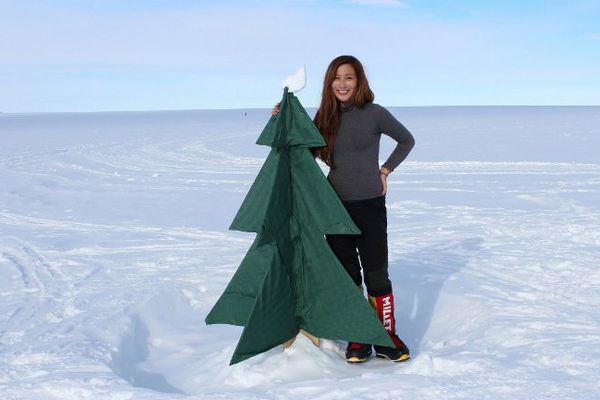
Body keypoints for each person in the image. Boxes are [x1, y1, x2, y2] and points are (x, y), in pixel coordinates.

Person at [273, 55, 415, 363]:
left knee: (377, 275)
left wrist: (386, 170)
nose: (342, 84)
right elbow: (302, 152)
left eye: (348, 77)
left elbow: (406, 140)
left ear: (359, 80)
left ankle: (387, 336)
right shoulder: (324, 117)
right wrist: (281, 118)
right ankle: (358, 335)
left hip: (370, 205)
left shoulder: (374, 113)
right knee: (348, 275)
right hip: (333, 207)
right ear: (329, 83)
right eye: (336, 78)